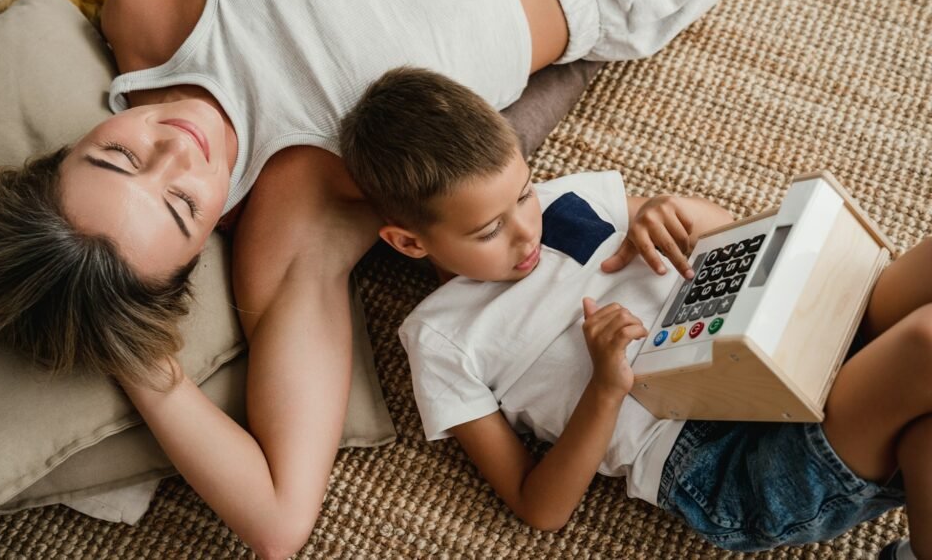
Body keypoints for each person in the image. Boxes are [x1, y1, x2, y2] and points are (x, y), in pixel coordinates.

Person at [0, 0, 789, 556]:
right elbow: (280, 522)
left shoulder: (144, 15)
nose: (178, 150)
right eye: (179, 205)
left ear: (67, 149)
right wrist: (137, 360)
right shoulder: (292, 220)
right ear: (198, 249)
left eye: (116, 155)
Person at [339, 66, 926, 557]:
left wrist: (678, 214)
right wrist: (604, 389)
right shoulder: (441, 339)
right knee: (921, 345)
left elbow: (729, 242)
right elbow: (537, 505)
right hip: (715, 458)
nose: (526, 235)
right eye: (489, 230)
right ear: (410, 243)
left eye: (522, 193)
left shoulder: (570, 198)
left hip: (777, 340)